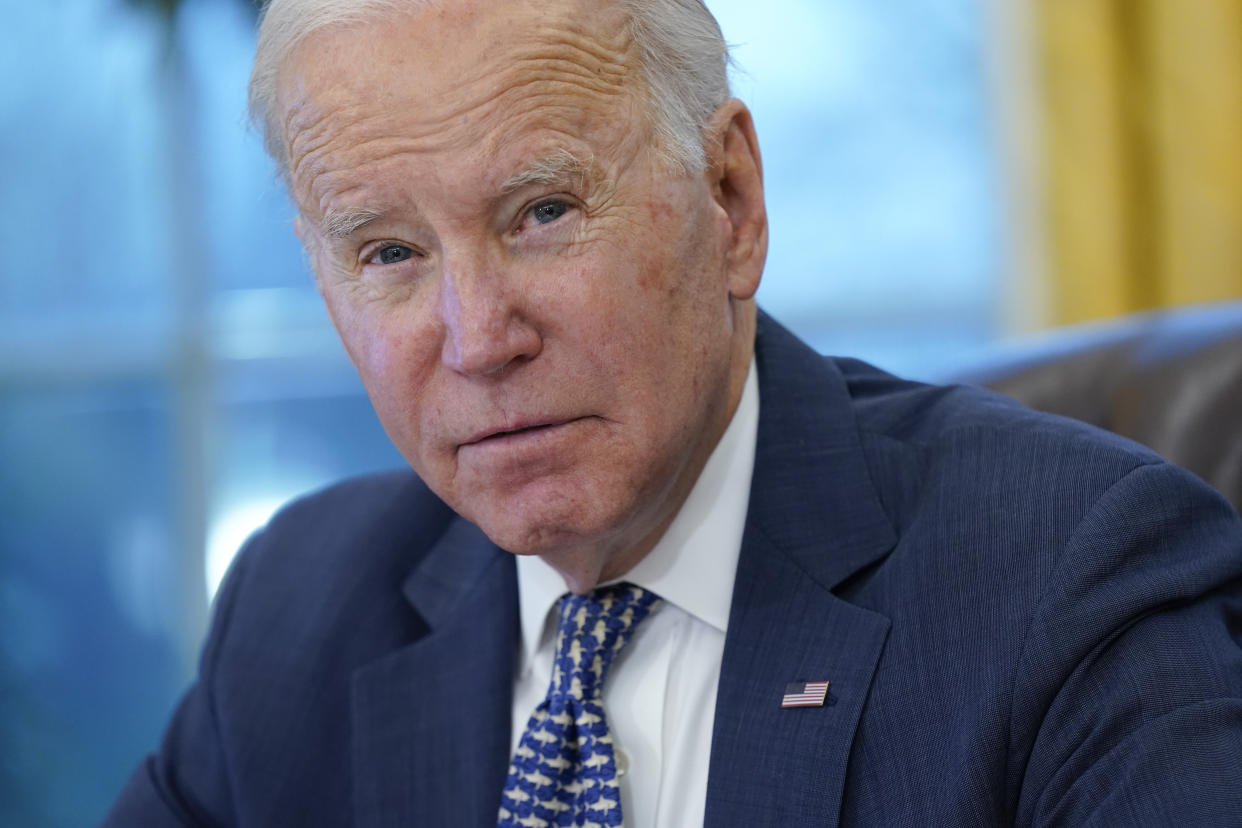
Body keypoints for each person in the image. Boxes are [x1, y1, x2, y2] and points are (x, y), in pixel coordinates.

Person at [104, 0, 1242, 825]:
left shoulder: (1071, 578)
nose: (476, 337)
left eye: (542, 212)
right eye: (390, 252)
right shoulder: (300, 610)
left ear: (730, 200)